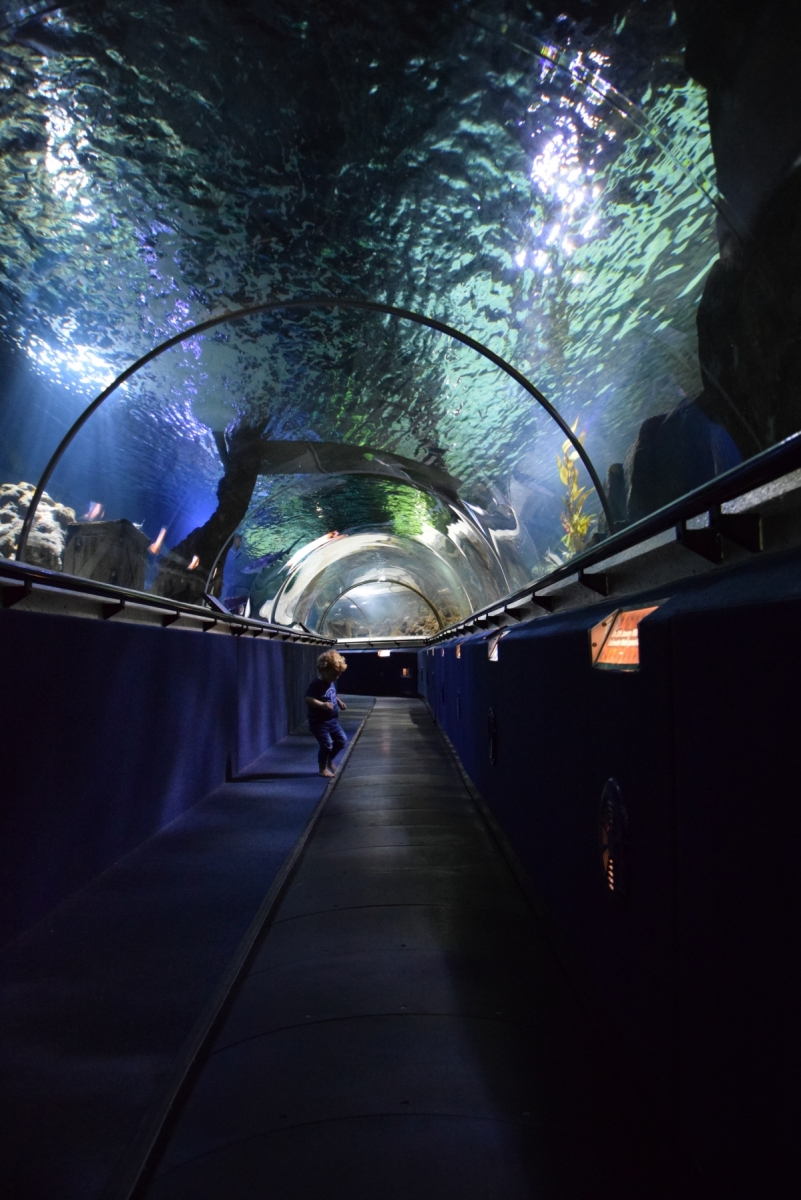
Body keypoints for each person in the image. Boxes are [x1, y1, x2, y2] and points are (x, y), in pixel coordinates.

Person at [305, 650, 348, 777]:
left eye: (338, 675)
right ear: (323, 671)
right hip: (319, 723)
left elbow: (331, 695)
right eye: (334, 675)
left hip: (333, 722)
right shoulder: (316, 684)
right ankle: (322, 768)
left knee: (342, 740)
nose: (336, 678)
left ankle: (329, 759)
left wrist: (339, 702)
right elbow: (308, 698)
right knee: (327, 744)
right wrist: (322, 705)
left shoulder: (330, 682)